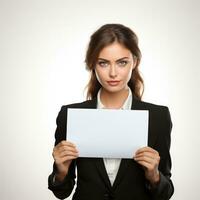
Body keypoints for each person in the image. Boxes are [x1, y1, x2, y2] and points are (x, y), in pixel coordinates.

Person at [48, 24, 174, 200]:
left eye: (122, 62)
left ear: (135, 62)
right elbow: (62, 192)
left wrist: (154, 175)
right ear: (92, 64)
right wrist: (61, 171)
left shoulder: (158, 117)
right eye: (103, 63)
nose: (113, 73)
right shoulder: (71, 115)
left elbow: (165, 193)